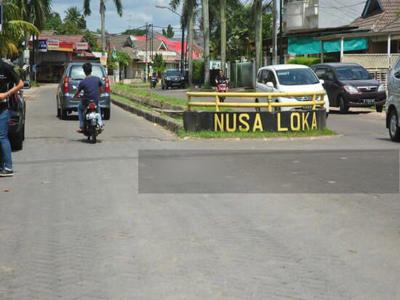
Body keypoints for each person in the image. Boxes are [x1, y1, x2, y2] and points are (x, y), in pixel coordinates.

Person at [0, 59, 24, 177]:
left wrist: (6, 94)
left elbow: (20, 84)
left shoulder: (6, 67)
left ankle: (8, 167)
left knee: (2, 136)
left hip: (3, 108)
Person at [75, 63, 104, 133]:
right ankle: (100, 123)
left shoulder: (82, 82)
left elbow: (77, 92)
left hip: (86, 101)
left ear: (84, 71)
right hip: (95, 100)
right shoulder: (97, 79)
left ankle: (82, 126)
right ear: (91, 70)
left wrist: (75, 96)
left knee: (79, 108)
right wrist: (99, 94)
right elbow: (101, 88)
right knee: (98, 108)